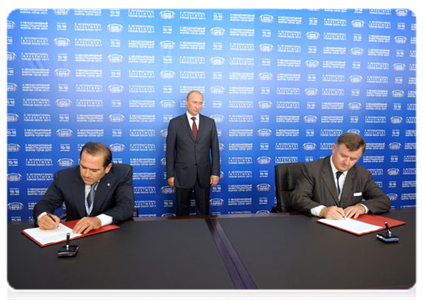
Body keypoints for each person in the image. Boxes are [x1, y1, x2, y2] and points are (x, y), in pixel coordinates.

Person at [33, 142, 135, 233]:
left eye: (94, 170)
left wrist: (99, 220)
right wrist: (42, 216)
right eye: (83, 167)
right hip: (75, 233)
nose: (87, 174)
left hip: (109, 234)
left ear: (107, 168)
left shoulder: (121, 174)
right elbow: (45, 203)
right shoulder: (64, 177)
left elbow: (126, 206)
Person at [292, 133, 391, 219]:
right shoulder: (311, 169)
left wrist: (361, 207)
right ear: (334, 149)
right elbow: (299, 199)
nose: (346, 163)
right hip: (317, 227)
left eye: (353, 159)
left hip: (349, 229)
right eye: (343, 156)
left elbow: (384, 201)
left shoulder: (363, 174)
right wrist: (323, 211)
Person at [166, 90, 220, 216]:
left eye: (200, 103)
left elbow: (215, 150)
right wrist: (170, 174)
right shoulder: (175, 123)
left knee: (204, 210)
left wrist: (215, 173)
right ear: (186, 102)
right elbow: (169, 151)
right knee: (182, 210)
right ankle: (182, 235)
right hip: (182, 174)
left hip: (204, 174)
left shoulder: (210, 123)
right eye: (194, 102)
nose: (197, 106)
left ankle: (205, 235)